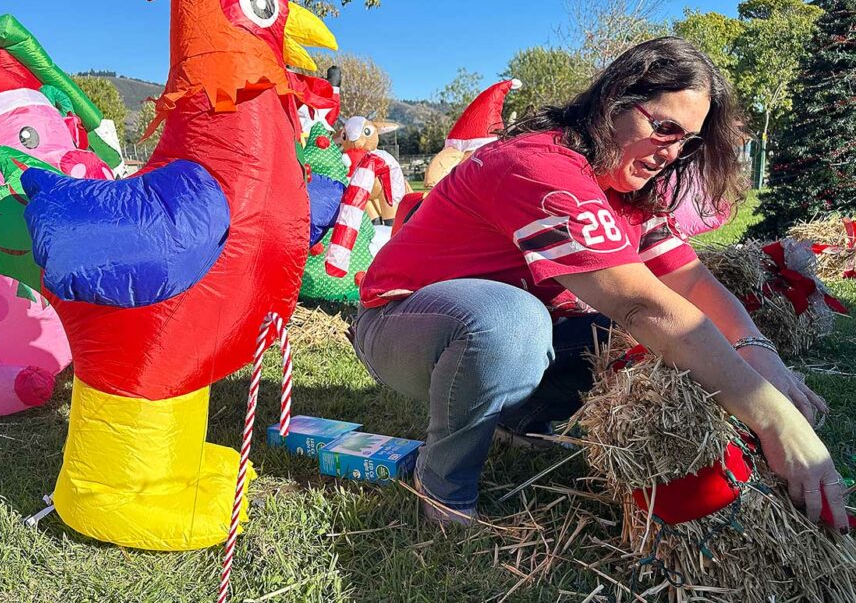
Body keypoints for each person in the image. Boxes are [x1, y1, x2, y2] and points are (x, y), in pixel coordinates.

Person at [349, 37, 847, 529]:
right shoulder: (539, 166)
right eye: (664, 127)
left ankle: (513, 417)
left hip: (497, 333)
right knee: (514, 322)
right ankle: (444, 492)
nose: (671, 153)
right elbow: (640, 303)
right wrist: (774, 419)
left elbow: (694, 286)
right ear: (615, 102)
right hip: (400, 322)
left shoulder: (626, 187)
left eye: (686, 141)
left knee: (637, 345)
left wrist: (760, 356)